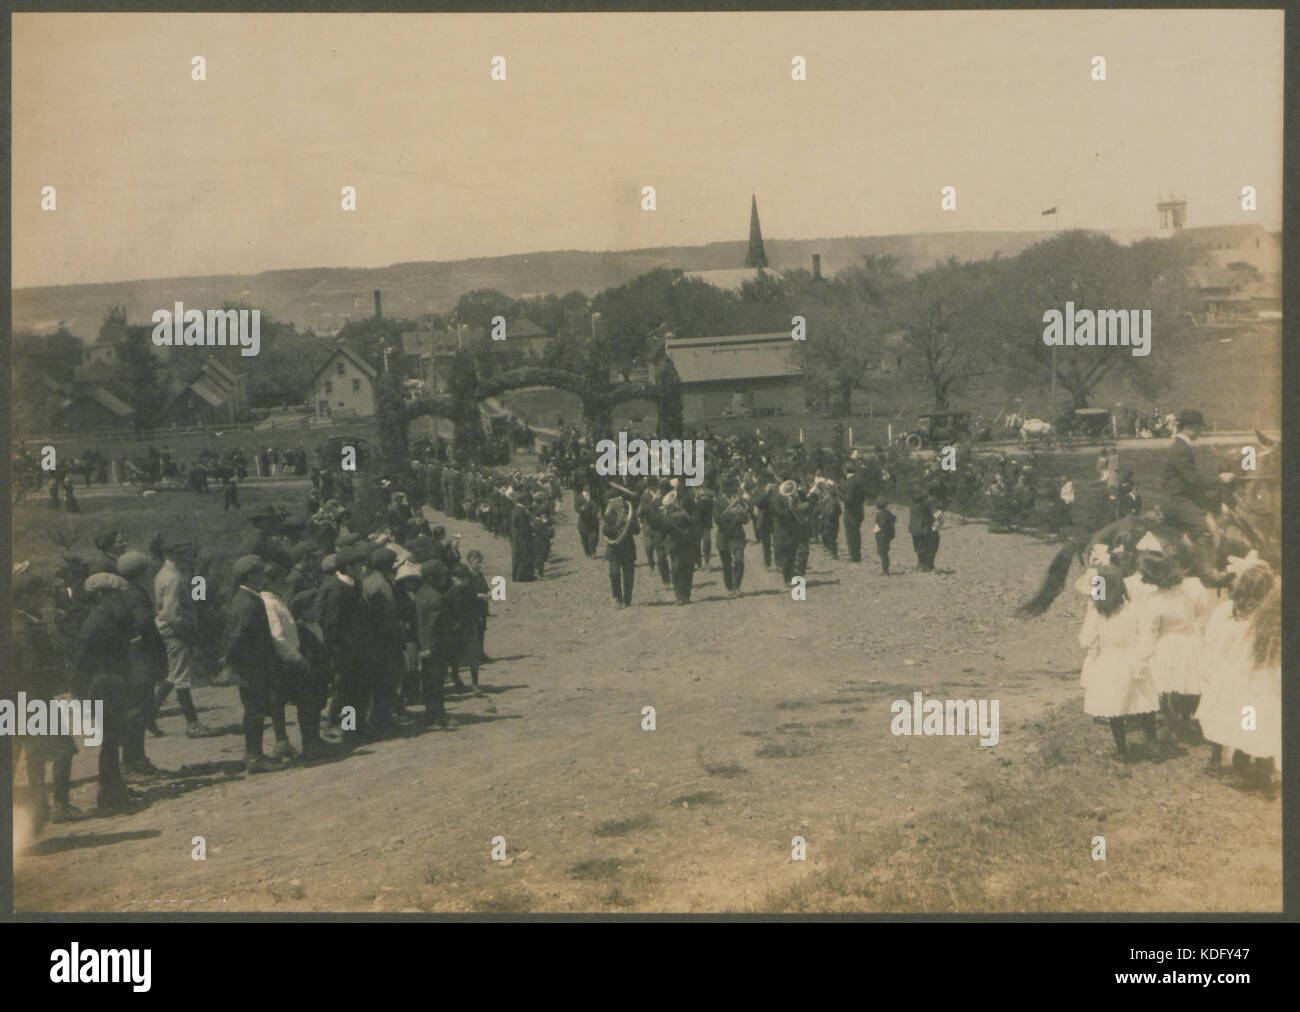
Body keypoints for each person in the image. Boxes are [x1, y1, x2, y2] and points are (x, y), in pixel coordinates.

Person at [13, 569, 86, 828]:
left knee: (34, 753)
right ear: (25, 595)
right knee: (64, 750)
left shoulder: (15, 622)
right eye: (39, 593)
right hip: (35, 698)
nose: (43, 598)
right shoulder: (28, 628)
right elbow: (32, 668)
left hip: (17, 701)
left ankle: (39, 805)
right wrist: (58, 670)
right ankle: (61, 806)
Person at [75, 572, 145, 814]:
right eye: (116, 594)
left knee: (113, 740)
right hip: (103, 686)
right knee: (110, 742)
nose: (120, 599)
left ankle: (115, 790)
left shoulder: (107, 618)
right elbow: (82, 661)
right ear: (103, 595)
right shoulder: (97, 623)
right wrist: (81, 693)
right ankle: (109, 797)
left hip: (112, 684)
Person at [1078, 564, 1159, 761]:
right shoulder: (1133, 609)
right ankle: (1153, 746)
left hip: (1108, 661)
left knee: (1114, 707)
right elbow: (1146, 636)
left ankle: (1122, 750)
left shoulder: (1097, 612)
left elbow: (1085, 640)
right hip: (1133, 658)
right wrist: (1142, 659)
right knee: (1142, 702)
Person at [223, 556, 286, 773]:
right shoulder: (247, 602)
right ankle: (254, 757)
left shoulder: (247, 598)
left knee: (255, 710)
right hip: (251, 666)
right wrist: (232, 664)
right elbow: (237, 637)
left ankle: (254, 754)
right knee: (254, 710)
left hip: (253, 664)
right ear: (251, 576)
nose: (264, 579)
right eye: (261, 574)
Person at [152, 540, 219, 739]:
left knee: (175, 674)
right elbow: (172, 614)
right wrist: (190, 631)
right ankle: (192, 723)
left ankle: (149, 714)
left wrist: (199, 582)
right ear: (174, 554)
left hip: (179, 624)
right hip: (177, 630)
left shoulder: (175, 573)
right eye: (187, 554)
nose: (191, 557)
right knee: (180, 676)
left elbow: (197, 598)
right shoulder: (173, 577)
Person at [116, 551, 168, 776]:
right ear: (143, 572)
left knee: (136, 712)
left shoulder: (123, 592)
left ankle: (135, 760)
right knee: (138, 712)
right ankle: (133, 762)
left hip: (130, 658)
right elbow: (144, 623)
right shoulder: (136, 595)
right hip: (139, 660)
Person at [318, 546, 371, 747]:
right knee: (348, 692)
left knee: (359, 691)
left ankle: (358, 727)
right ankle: (348, 730)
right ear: (347, 567)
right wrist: (336, 655)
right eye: (359, 565)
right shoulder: (337, 590)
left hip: (360, 650)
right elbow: (332, 627)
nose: (362, 568)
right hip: (346, 653)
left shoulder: (355, 585)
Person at [1161, 408, 1232, 548]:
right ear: (1189, 427)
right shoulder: (1181, 449)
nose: (1201, 431)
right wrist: (1220, 479)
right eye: (1199, 427)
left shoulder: (1183, 446)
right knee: (1203, 529)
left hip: (1182, 498)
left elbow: (1192, 478)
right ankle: (1206, 569)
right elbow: (1193, 480)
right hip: (1178, 501)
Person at [603, 490, 639, 608]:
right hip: (614, 550)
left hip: (628, 549)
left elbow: (637, 530)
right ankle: (617, 597)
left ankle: (627, 600)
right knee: (614, 573)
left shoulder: (629, 513)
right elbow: (606, 531)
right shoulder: (609, 514)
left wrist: (630, 521)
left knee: (629, 577)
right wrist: (619, 524)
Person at [714, 478, 749, 597]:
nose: (731, 490)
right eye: (729, 488)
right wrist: (731, 512)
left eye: (732, 488)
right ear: (724, 489)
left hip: (737, 534)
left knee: (739, 560)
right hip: (724, 535)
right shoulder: (718, 501)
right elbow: (717, 519)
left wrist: (741, 514)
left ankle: (737, 586)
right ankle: (729, 588)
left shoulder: (739, 501)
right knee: (726, 564)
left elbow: (746, 520)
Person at [842, 465, 868, 562]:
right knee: (856, 533)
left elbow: (848, 500)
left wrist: (839, 494)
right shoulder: (858, 480)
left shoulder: (849, 482)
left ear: (845, 470)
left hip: (850, 512)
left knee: (850, 534)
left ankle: (854, 556)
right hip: (859, 510)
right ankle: (857, 555)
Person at [873, 497, 896, 575]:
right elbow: (894, 519)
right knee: (884, 551)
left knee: (882, 552)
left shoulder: (880, 514)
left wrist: (878, 525)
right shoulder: (888, 513)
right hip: (887, 535)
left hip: (882, 535)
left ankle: (885, 569)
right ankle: (885, 568)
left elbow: (882, 524)